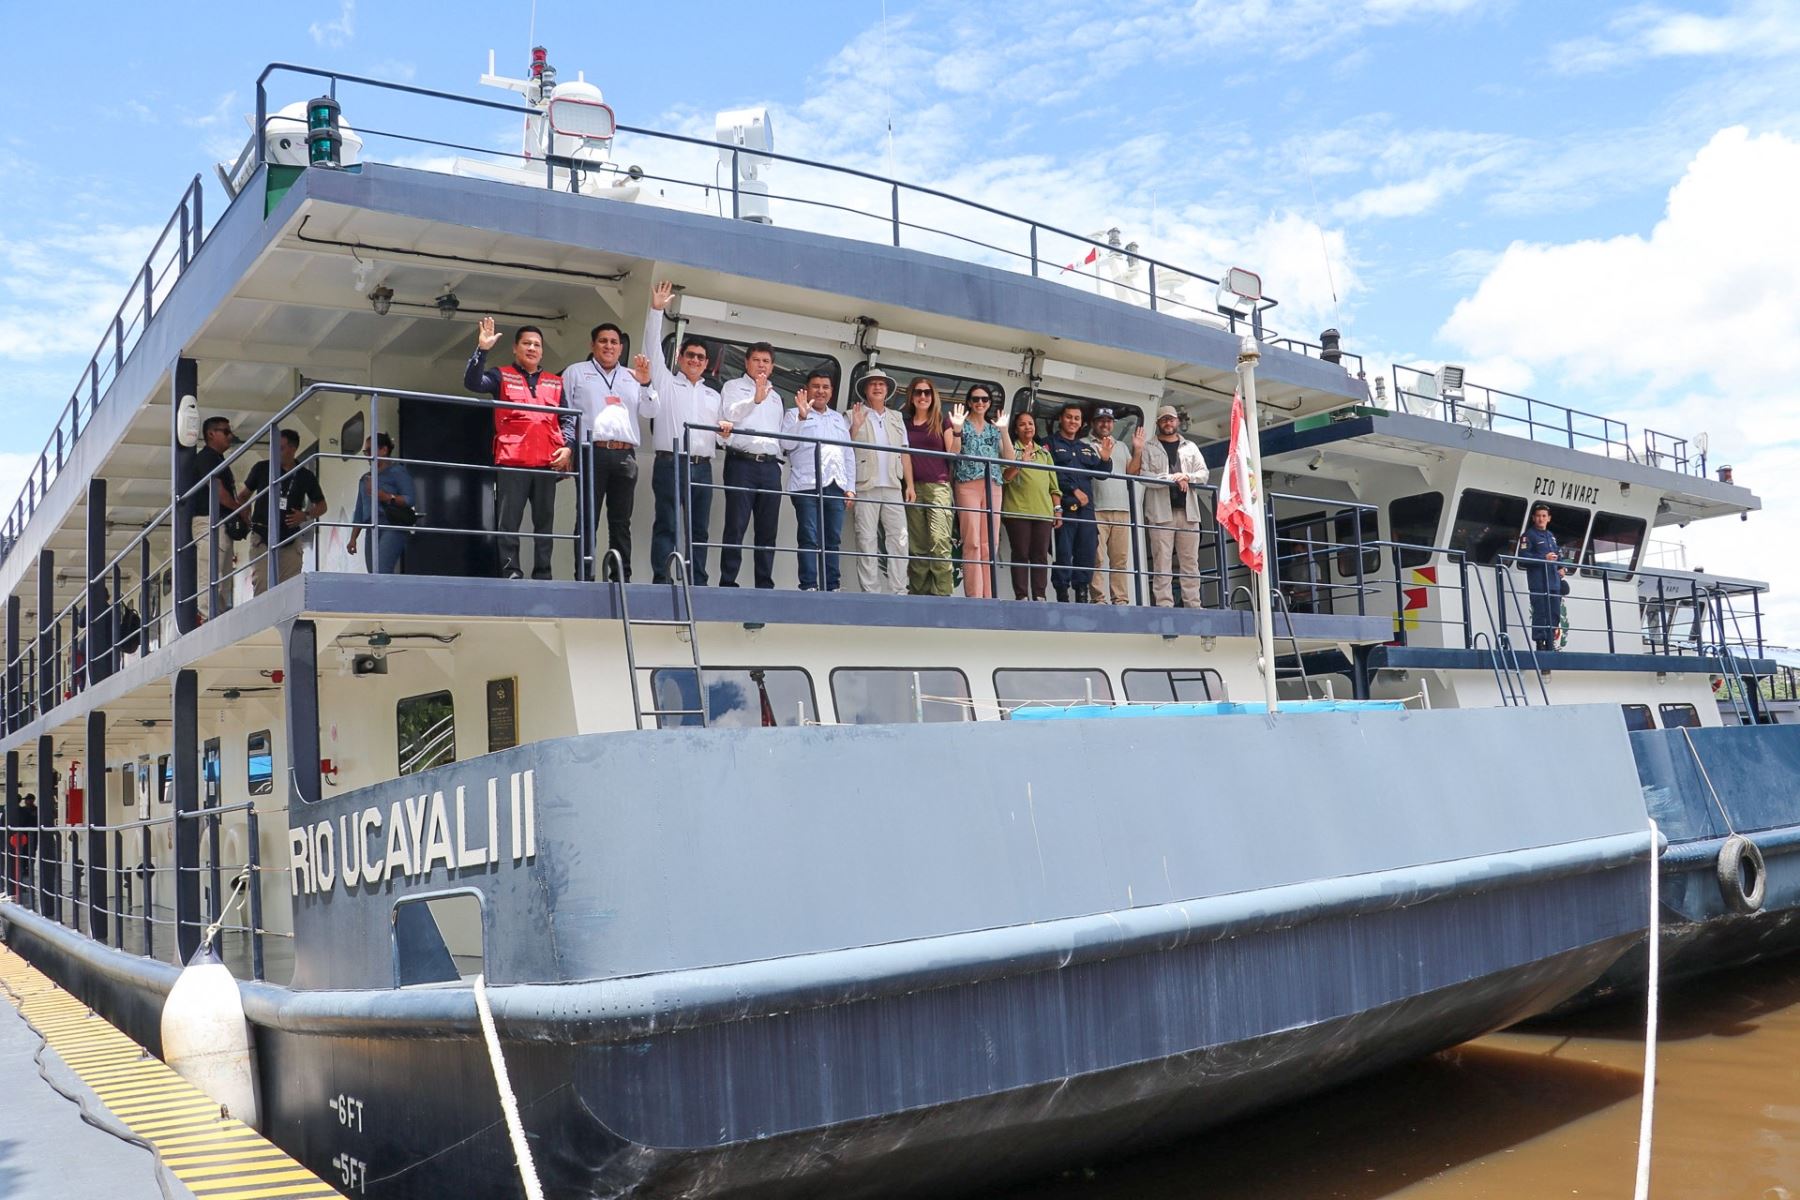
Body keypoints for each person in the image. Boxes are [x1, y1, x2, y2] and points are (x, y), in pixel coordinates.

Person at [643, 282, 730, 585]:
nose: (695, 360)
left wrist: (726, 432)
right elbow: (652, 349)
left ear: (707, 364)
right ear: (680, 357)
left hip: (702, 467)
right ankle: (662, 578)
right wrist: (657, 311)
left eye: (701, 357)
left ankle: (697, 580)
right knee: (667, 523)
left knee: (699, 528)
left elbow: (720, 436)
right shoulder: (666, 382)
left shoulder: (713, 396)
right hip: (670, 463)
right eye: (690, 355)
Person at [465, 318, 566, 580]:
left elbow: (568, 421)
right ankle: (512, 573)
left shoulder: (556, 383)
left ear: (542, 351)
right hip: (513, 462)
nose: (532, 348)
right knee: (508, 524)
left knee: (545, 525)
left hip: (546, 463)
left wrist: (568, 448)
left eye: (537, 345)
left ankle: (543, 574)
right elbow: (473, 383)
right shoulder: (501, 375)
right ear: (515, 348)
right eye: (526, 343)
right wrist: (482, 349)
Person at [557, 323, 655, 581]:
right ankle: (585, 576)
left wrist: (646, 383)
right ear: (592, 345)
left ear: (621, 348)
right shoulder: (575, 372)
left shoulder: (634, 376)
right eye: (603, 341)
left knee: (621, 521)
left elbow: (650, 411)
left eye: (614, 342)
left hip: (625, 455)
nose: (609, 346)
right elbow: (562, 414)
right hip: (591, 452)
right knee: (588, 518)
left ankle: (621, 576)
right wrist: (568, 449)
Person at [718, 343, 788, 589]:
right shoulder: (732, 387)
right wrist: (754, 399)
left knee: (768, 530)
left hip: (770, 467)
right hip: (742, 463)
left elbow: (779, 436)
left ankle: (764, 584)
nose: (761, 365)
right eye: (757, 360)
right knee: (736, 525)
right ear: (746, 363)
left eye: (766, 361)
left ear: (772, 366)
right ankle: (728, 581)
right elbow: (729, 414)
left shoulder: (777, 397)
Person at [781, 367, 854, 591]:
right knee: (809, 537)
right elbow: (785, 445)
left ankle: (832, 585)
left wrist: (850, 487)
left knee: (832, 539)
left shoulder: (838, 419)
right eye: (816, 386)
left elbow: (848, 454)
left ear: (831, 391)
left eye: (825, 387)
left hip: (835, 485)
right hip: (806, 485)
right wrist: (802, 418)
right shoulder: (793, 414)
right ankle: (809, 584)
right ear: (807, 389)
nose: (821, 391)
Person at [1135, 405, 1210, 607]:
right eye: (1164, 420)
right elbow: (1143, 476)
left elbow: (1203, 474)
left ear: (1177, 421)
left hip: (1189, 513)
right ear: (1158, 423)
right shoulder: (1150, 447)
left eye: (1171, 419)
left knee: (1190, 563)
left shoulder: (1191, 447)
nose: (1168, 423)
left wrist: (1187, 476)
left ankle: (1193, 604)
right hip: (1160, 514)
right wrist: (1172, 478)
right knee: (1162, 562)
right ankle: (1164, 604)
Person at [850, 368, 912, 594]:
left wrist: (910, 485)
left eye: (882, 384)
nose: (878, 387)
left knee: (900, 539)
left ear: (887, 390)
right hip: (865, 485)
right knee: (866, 539)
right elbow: (845, 449)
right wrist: (855, 425)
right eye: (873, 383)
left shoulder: (896, 417)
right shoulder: (852, 414)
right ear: (865, 390)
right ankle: (871, 592)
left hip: (894, 486)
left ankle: (899, 590)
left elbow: (904, 453)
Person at [242, 428, 326, 594]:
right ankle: (264, 620)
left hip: (290, 537)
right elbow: (243, 495)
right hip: (262, 536)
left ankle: (287, 621)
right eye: (274, 448)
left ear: (293, 449)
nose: (275, 452)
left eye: (280, 448)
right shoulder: (261, 468)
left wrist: (305, 515)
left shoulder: (304, 475)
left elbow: (322, 506)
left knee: (289, 589)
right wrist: (246, 516)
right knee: (262, 583)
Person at [949, 385, 1010, 599]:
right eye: (975, 399)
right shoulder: (960, 426)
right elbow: (953, 454)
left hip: (993, 484)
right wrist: (956, 429)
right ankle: (974, 595)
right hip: (967, 484)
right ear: (969, 402)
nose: (980, 403)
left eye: (985, 399)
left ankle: (989, 594)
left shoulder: (994, 430)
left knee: (990, 543)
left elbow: (1010, 458)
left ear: (990, 403)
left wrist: (1004, 430)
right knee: (972, 541)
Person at [903, 378, 960, 596]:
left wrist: (957, 430)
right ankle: (918, 593)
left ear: (933, 396)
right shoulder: (905, 425)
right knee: (917, 546)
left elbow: (953, 452)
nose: (923, 397)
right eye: (918, 392)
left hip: (938, 487)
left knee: (939, 541)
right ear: (912, 396)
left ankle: (943, 595)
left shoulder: (941, 421)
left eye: (927, 393)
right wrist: (909, 485)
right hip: (913, 487)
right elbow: (904, 455)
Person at [1046, 403, 1107, 603]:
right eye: (1069, 417)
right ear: (1061, 419)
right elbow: (1051, 472)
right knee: (1063, 552)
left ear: (1081, 423)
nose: (1073, 421)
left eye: (1077, 418)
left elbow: (1103, 473)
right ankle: (1062, 594)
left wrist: (1105, 459)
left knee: (1087, 550)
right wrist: (1073, 489)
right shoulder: (1050, 444)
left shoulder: (1086, 448)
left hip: (1086, 510)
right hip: (1064, 507)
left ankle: (1082, 593)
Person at [186, 415, 244, 618]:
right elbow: (217, 490)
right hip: (210, 521)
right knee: (212, 573)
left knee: (222, 575)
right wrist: (239, 509)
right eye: (226, 432)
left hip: (219, 523)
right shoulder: (207, 458)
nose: (230, 436)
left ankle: (214, 614)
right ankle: (206, 615)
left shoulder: (217, 459)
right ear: (211, 434)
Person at [1001, 411, 1061, 601]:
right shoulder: (1011, 450)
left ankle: (1040, 596)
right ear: (1016, 429)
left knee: (1040, 556)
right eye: (1022, 424)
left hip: (1043, 512)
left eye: (1031, 423)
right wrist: (1021, 462)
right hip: (1018, 511)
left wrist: (1057, 510)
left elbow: (1054, 486)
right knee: (1020, 553)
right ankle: (1021, 596)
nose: (1028, 427)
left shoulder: (1044, 453)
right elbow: (1004, 478)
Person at [1086, 408, 1143, 605]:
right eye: (1101, 420)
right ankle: (1098, 599)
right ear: (1093, 423)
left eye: (1109, 421)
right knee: (1097, 559)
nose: (1105, 424)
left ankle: (1120, 600)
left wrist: (1138, 449)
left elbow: (1132, 472)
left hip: (1122, 509)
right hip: (1096, 509)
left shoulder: (1121, 447)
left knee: (1120, 560)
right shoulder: (1085, 445)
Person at [348, 433, 417, 574]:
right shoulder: (364, 480)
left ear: (383, 450)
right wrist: (353, 538)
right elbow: (360, 512)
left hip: (392, 524)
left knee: (382, 569)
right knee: (373, 572)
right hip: (371, 528)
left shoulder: (397, 472)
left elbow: (409, 499)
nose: (367, 455)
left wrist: (386, 497)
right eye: (365, 452)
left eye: (370, 450)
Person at [1518, 502, 1567, 653]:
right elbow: (1523, 558)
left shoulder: (1551, 537)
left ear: (1549, 518)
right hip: (1538, 582)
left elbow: (1558, 556)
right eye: (1538, 516)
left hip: (1553, 582)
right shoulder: (1528, 536)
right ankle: (1540, 643)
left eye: (1544, 516)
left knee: (1554, 613)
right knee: (1540, 613)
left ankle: (1550, 641)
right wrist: (1543, 557)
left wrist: (1562, 568)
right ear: (1533, 518)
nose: (1541, 519)